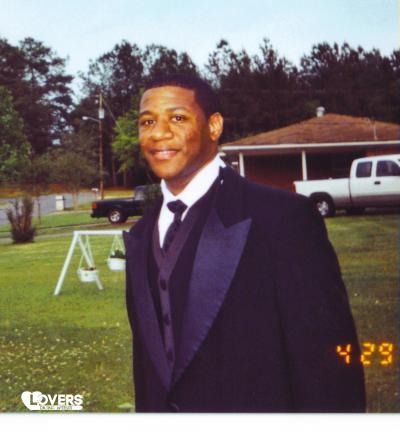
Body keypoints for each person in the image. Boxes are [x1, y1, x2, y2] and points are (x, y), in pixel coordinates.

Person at [123, 73, 366, 413]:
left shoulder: (283, 219)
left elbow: (329, 364)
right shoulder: (140, 236)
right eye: (147, 122)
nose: (159, 133)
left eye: (177, 118)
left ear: (214, 126)